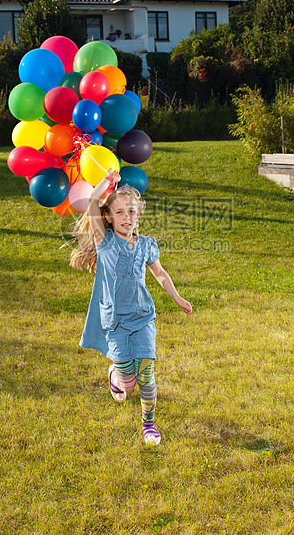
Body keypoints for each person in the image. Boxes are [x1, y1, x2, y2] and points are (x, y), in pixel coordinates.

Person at [70, 168, 192, 445]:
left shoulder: (148, 244)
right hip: (114, 321)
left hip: (142, 317)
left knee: (146, 374)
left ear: (139, 215)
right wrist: (107, 182)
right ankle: (116, 374)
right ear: (109, 217)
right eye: (121, 212)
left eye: (132, 211)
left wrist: (177, 297)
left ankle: (148, 423)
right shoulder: (105, 241)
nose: (127, 217)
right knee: (129, 381)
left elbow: (160, 274)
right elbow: (91, 203)